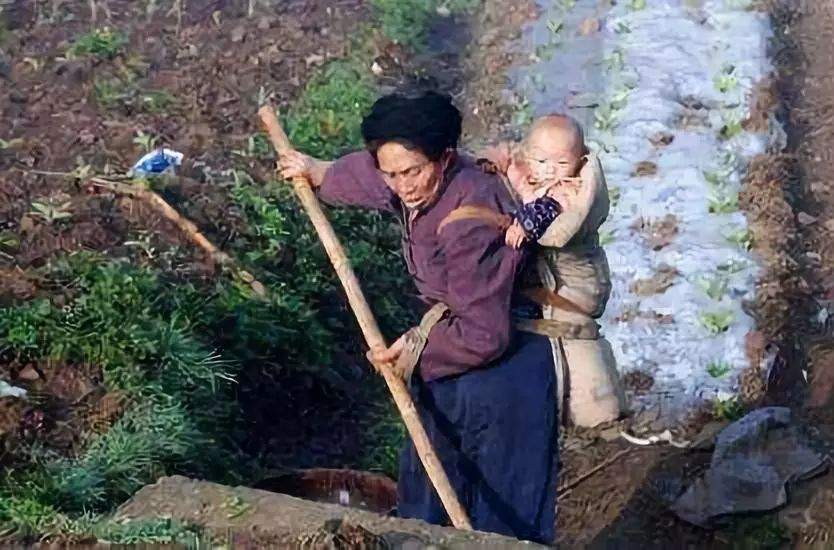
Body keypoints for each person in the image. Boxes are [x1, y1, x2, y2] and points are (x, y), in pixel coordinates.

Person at [277, 91, 558, 543]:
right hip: (452, 350)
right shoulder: (408, 182)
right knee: (427, 501)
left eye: (412, 171)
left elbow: (485, 334)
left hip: (505, 371)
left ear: (445, 158)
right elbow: (365, 176)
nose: (402, 185)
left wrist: (412, 353)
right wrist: (319, 173)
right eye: (391, 173)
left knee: (502, 516)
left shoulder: (467, 220)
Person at [480, 114, 626, 428]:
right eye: (542, 160)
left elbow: (548, 211)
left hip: (577, 283)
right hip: (558, 280)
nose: (550, 169)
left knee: (573, 334)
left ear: (580, 159)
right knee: (556, 334)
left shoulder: (569, 189)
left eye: (561, 162)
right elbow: (522, 181)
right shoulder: (538, 175)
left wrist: (525, 225)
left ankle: (599, 415)